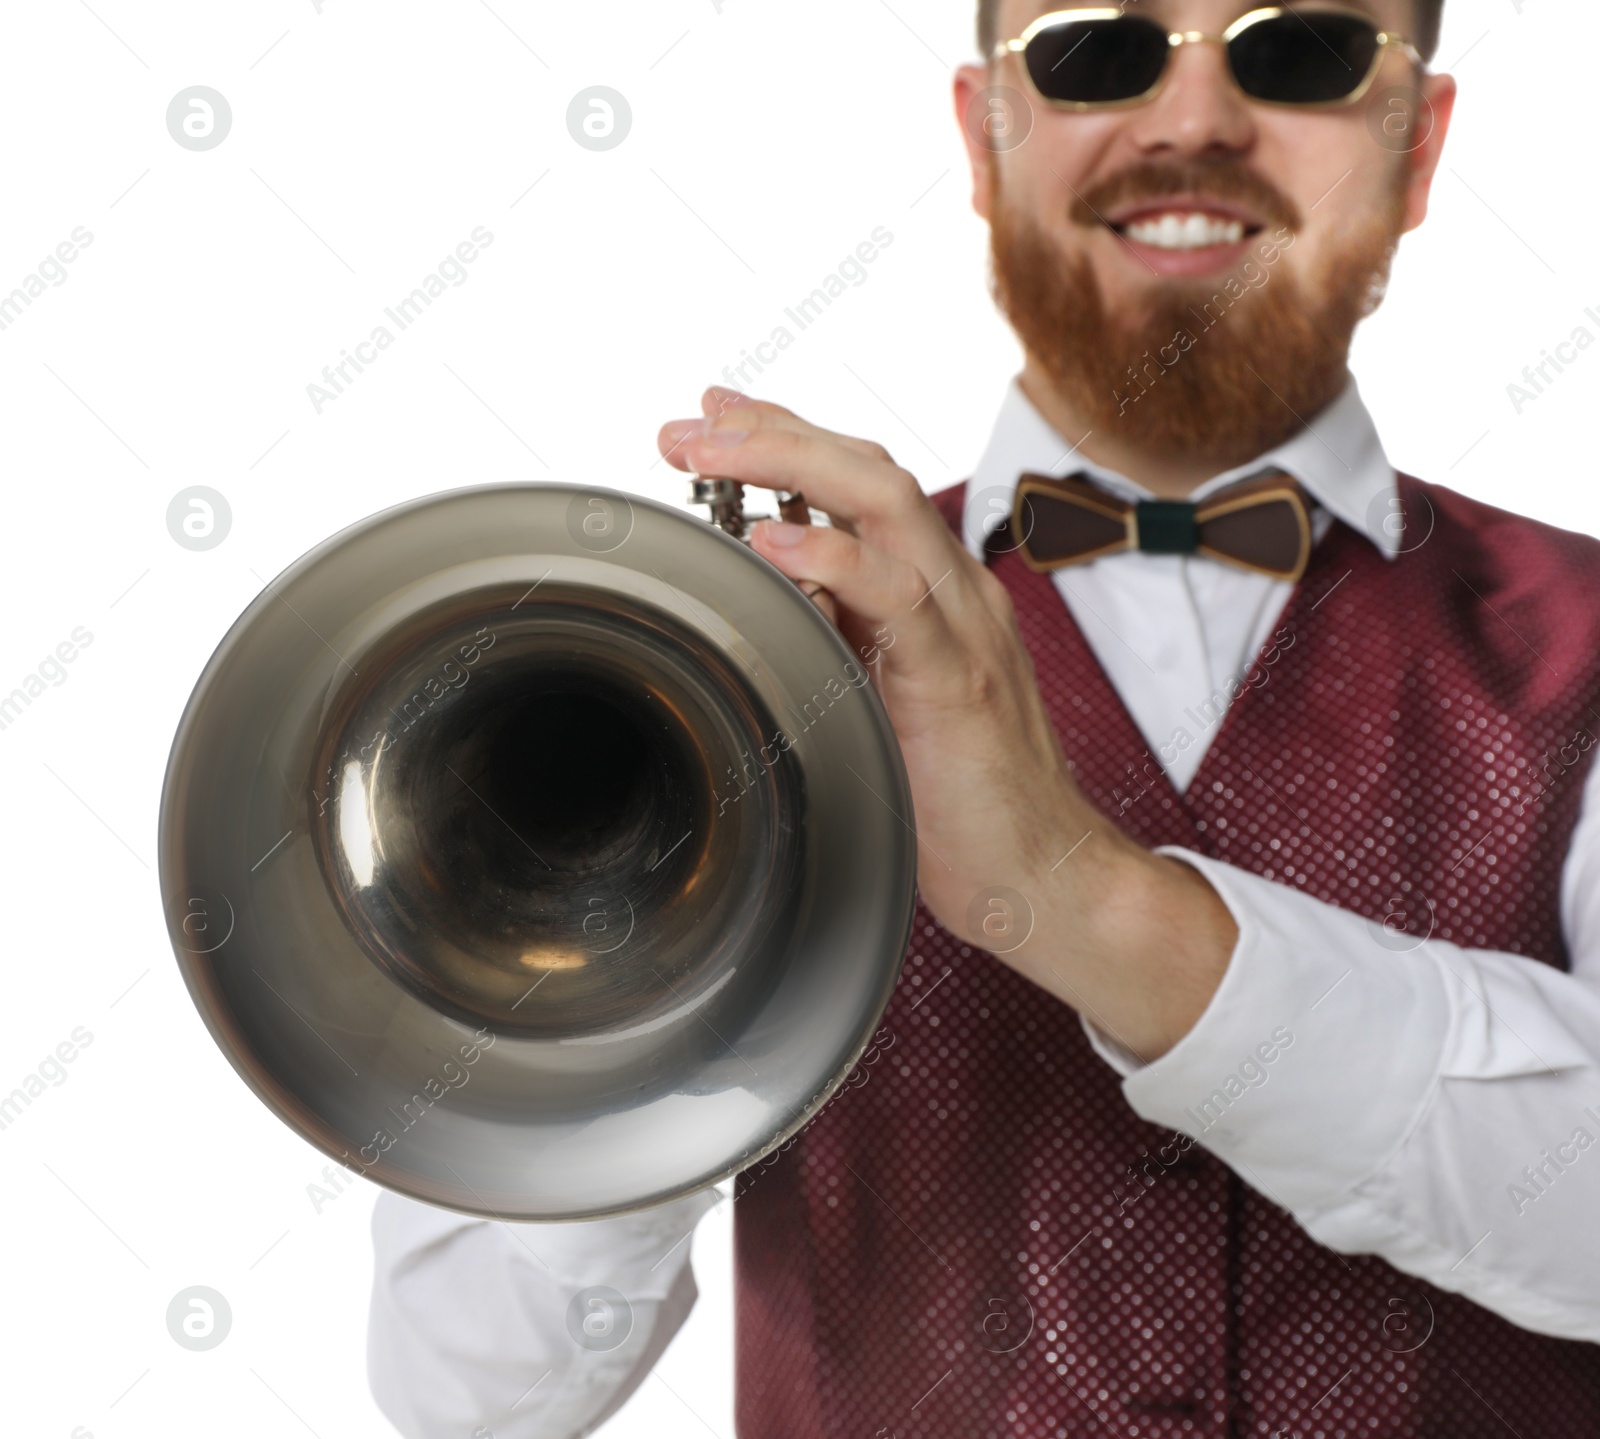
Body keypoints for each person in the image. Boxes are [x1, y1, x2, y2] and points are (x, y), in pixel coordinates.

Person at [368, 1, 1600, 1434]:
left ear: (1420, 142)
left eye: (1300, 49)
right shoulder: (766, 649)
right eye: (1099, 50)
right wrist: (673, 907)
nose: (1191, 120)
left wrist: (1082, 902)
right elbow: (469, 1389)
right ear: (982, 131)